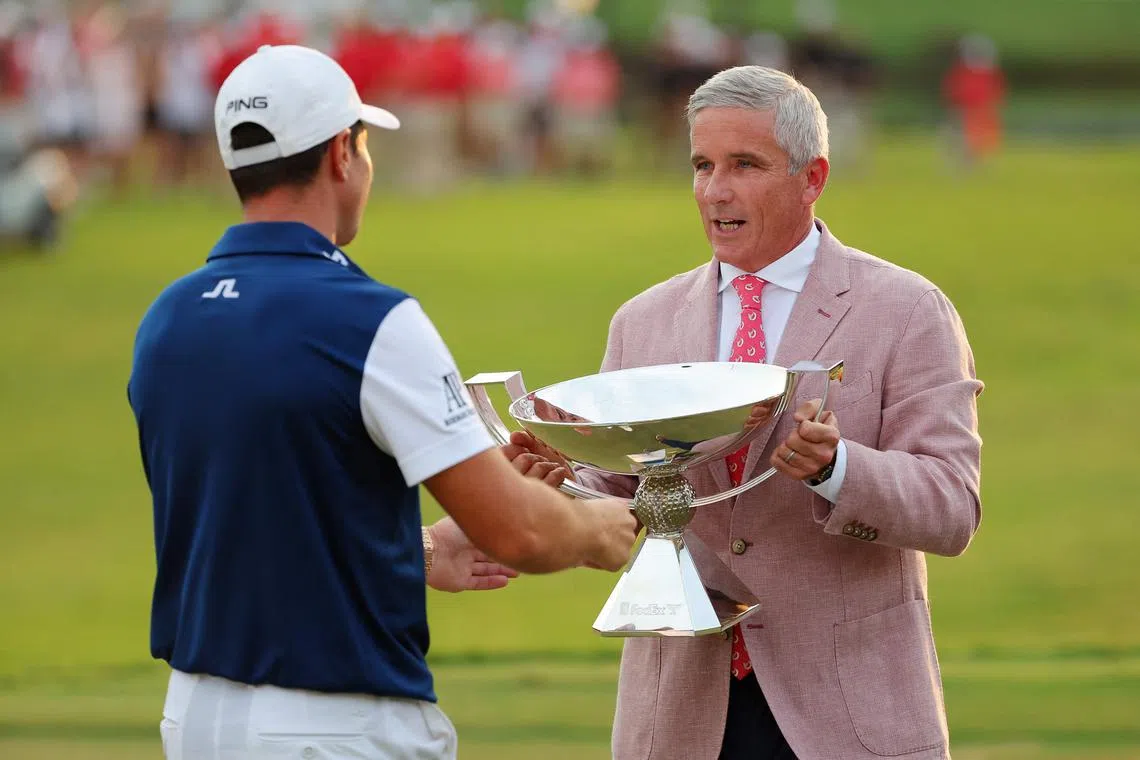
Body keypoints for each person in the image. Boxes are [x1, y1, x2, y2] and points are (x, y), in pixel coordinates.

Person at [125, 44, 637, 760]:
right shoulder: (371, 320)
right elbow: (521, 531)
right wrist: (601, 528)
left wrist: (419, 553)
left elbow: (260, 521)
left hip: (193, 717)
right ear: (342, 153)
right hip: (336, 724)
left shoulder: (167, 319)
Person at [508, 65, 983, 759]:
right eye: (701, 165)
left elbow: (951, 510)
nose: (715, 191)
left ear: (812, 177)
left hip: (848, 719)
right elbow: (620, 497)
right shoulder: (643, 322)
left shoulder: (908, 311)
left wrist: (836, 468)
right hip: (680, 719)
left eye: (744, 165)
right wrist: (555, 478)